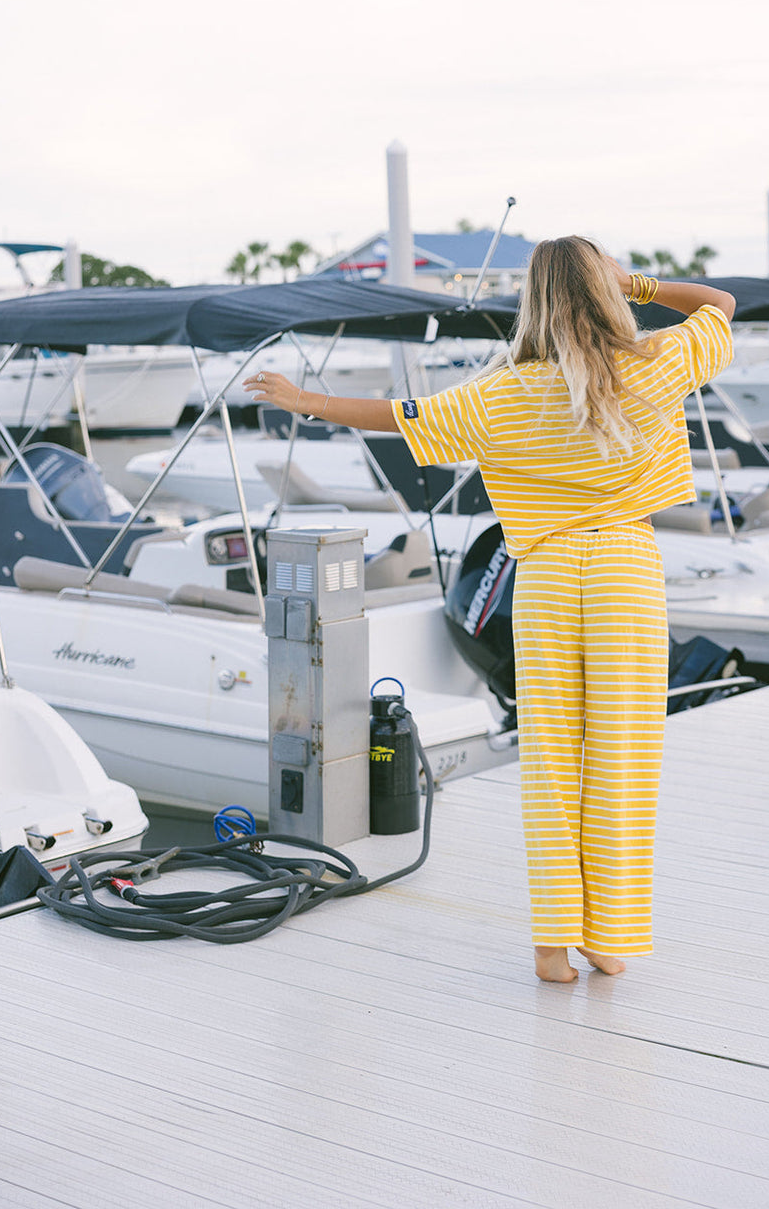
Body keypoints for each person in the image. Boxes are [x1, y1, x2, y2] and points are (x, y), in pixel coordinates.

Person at [244, 237, 734, 983]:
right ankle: (607, 936)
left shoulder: (498, 393)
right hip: (624, 573)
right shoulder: (654, 366)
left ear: (532, 298)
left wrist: (306, 400)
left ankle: (550, 944)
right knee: (620, 757)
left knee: (551, 758)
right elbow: (721, 306)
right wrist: (634, 284)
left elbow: (394, 415)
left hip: (543, 574)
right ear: (602, 290)